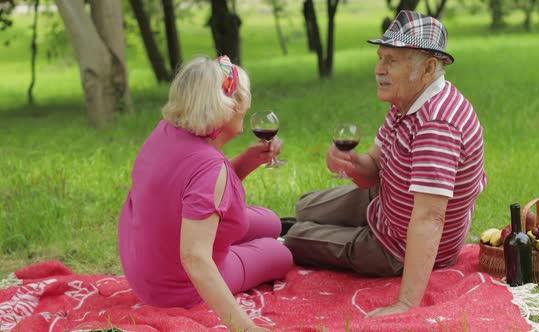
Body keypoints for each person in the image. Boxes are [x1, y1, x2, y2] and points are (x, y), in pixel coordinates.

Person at [283, 10, 487, 317]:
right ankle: (274, 227)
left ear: (429, 68)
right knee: (305, 206)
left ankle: (275, 234)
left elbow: (430, 218)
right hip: (387, 201)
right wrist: (351, 163)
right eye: (380, 58)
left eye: (391, 61)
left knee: (295, 237)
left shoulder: (437, 125)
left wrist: (406, 303)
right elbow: (373, 170)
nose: (379, 69)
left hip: (398, 247)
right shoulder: (406, 100)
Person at [118, 55, 293, 332]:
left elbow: (195, 189)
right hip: (175, 286)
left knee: (271, 221)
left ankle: (238, 244)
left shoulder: (166, 132)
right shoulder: (211, 168)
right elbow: (194, 258)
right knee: (280, 254)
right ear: (231, 106)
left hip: (144, 262)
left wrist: (249, 159)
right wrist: (246, 328)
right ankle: (243, 251)